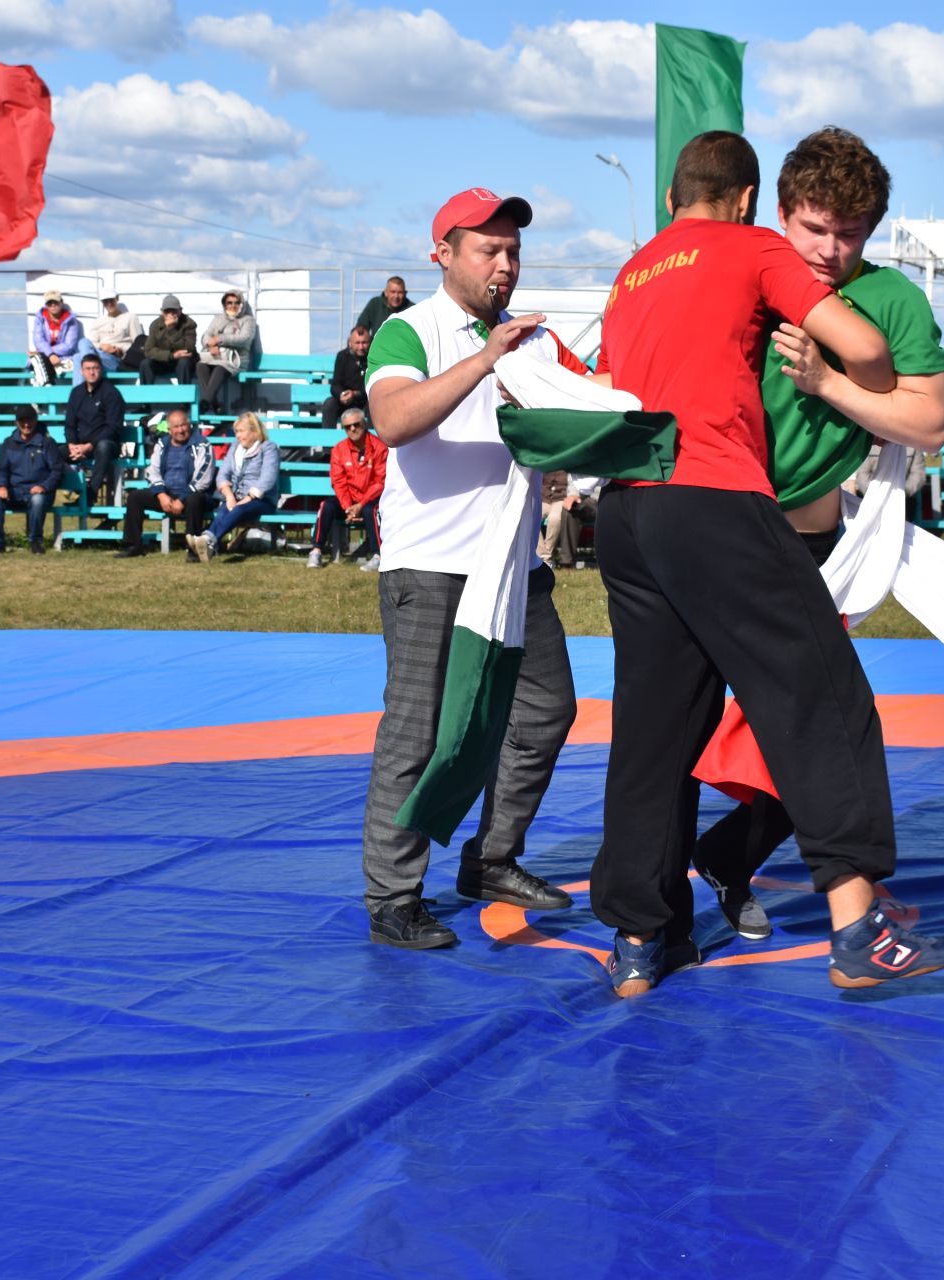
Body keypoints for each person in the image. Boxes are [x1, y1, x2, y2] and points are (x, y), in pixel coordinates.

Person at [595, 129, 944, 996]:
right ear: (760, 204)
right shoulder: (753, 249)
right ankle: (858, 926)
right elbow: (866, 350)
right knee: (822, 706)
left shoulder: (636, 270)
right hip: (721, 506)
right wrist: (841, 366)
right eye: (816, 229)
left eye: (853, 232)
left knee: (655, 730)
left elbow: (609, 383)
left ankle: (643, 939)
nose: (832, 252)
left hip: (631, 509)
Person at [359, 186, 583, 950]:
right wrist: (488, 360)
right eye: (489, 248)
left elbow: (584, 416)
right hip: (430, 565)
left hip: (515, 565)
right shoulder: (407, 329)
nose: (505, 264)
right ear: (443, 254)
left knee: (548, 710)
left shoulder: (533, 340)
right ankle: (393, 895)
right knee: (416, 735)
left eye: (513, 250)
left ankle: (491, 858)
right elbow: (392, 420)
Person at [117, 408, 213, 559]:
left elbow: (203, 478)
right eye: (176, 427)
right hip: (167, 493)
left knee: (195, 500)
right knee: (135, 497)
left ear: (189, 425)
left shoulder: (202, 444)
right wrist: (161, 494)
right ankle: (133, 546)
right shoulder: (162, 444)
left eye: (183, 425)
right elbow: (152, 471)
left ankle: (193, 550)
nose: (180, 430)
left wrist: (181, 499)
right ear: (169, 429)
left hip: (192, 494)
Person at [193, 412, 279, 561]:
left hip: (262, 500)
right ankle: (209, 541)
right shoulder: (235, 447)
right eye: (236, 432)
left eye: (241, 431)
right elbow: (223, 474)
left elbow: (268, 478)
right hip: (236, 496)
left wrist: (247, 498)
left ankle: (209, 540)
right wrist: (229, 496)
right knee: (226, 508)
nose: (237, 436)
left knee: (238, 508)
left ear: (254, 431)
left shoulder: (269, 448)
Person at [307, 406, 385, 569]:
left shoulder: (379, 447)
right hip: (348, 501)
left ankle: (378, 555)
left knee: (372, 509)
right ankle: (316, 551)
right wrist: (348, 507)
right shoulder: (339, 449)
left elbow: (380, 481)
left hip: (370, 499)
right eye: (347, 426)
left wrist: (360, 505)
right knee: (326, 506)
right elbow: (338, 481)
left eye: (356, 424)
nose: (353, 429)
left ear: (364, 424)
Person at [0, 405, 64, 554]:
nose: (26, 425)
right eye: (22, 421)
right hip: (15, 491)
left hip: (40, 492)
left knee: (37, 500)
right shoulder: (8, 443)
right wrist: (1, 486)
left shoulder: (47, 443)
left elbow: (57, 471)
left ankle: (35, 542)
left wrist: (44, 487)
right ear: (16, 423)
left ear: (36, 420)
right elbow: (1, 469)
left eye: (29, 420)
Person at [63, 352, 127, 507]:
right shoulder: (76, 393)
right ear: (82, 371)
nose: (92, 372)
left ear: (101, 370)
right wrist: (72, 444)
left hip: (106, 445)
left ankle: (90, 494)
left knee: (104, 446)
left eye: (95, 368)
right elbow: (70, 424)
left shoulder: (111, 393)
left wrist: (89, 445)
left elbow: (113, 427)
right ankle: (78, 488)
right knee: (51, 451)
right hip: (80, 445)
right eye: (88, 368)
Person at [199, 290, 259, 416]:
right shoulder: (218, 319)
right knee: (200, 366)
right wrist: (210, 345)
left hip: (235, 359)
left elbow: (244, 339)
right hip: (216, 356)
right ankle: (214, 403)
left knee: (220, 368)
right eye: (229, 303)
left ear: (241, 304)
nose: (233, 306)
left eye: (237, 303)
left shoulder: (248, 320)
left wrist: (220, 339)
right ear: (224, 304)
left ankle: (205, 402)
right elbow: (206, 335)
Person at [31, 289, 97, 386]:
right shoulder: (40, 318)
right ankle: (46, 389)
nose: (53, 305)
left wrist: (49, 353)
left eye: (56, 302)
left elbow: (69, 345)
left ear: (61, 302)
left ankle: (45, 389)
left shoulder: (71, 320)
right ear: (46, 305)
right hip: (46, 356)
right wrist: (50, 354)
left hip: (63, 357)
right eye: (49, 303)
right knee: (37, 363)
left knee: (40, 363)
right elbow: (38, 340)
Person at [141, 295, 200, 386]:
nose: (170, 314)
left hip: (182, 362)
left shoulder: (189, 324)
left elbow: (188, 348)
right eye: (167, 311)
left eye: (174, 311)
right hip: (163, 361)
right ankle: (145, 397)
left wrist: (171, 330)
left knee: (184, 362)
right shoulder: (155, 325)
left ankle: (184, 398)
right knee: (146, 364)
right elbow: (149, 350)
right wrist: (171, 356)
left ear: (180, 310)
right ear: (162, 312)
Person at [325, 325, 371, 423]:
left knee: (374, 405)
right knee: (330, 404)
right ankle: (327, 437)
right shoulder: (342, 356)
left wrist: (355, 394)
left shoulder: (374, 358)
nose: (361, 347)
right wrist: (341, 395)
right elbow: (335, 385)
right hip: (346, 401)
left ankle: (372, 436)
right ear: (350, 343)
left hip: (365, 399)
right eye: (357, 343)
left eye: (364, 343)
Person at [88, 292, 141, 372]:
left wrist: (120, 350)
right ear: (102, 303)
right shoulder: (98, 321)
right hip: (99, 353)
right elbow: (90, 343)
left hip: (117, 358)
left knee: (89, 360)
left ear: (117, 299)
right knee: (81, 349)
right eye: (106, 301)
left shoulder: (130, 317)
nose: (109, 304)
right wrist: (102, 346)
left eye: (111, 300)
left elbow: (138, 343)